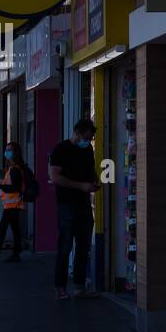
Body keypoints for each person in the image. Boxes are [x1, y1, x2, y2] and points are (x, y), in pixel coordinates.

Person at [50, 117, 100, 300]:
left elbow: (90, 169)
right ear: (77, 133)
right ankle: (60, 287)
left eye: (90, 138)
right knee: (65, 246)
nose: (88, 141)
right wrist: (81, 186)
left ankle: (79, 286)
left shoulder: (87, 150)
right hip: (67, 205)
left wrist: (94, 179)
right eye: (86, 137)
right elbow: (55, 178)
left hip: (84, 205)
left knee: (83, 246)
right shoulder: (60, 150)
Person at [0, 141, 28, 262]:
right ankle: (16, 253)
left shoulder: (14, 170)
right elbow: (9, 184)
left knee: (3, 227)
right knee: (15, 229)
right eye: (6, 150)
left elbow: (15, 187)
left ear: (15, 153)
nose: (6, 152)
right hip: (12, 204)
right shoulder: (13, 168)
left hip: (13, 204)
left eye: (9, 150)